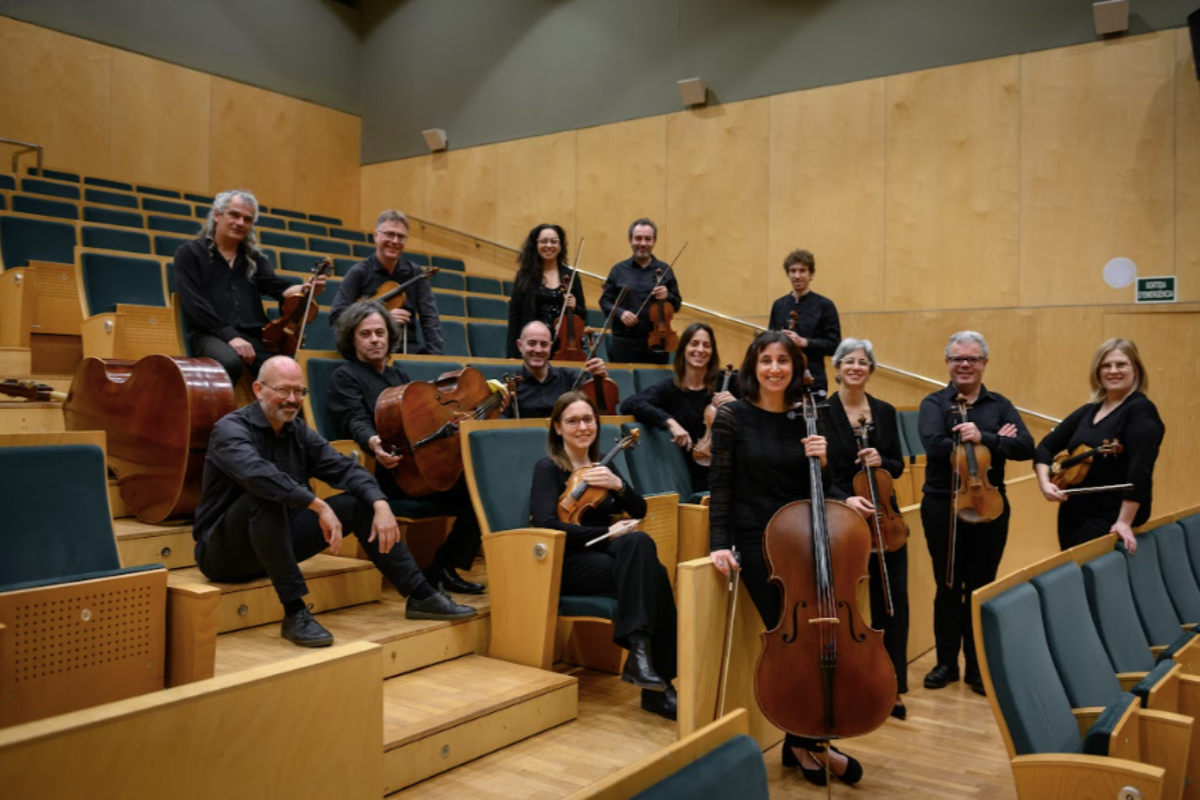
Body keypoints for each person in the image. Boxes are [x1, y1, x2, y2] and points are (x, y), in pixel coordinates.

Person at [192, 355, 476, 649]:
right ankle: (295, 613)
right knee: (264, 497)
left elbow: (345, 468)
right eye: (282, 391)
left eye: (298, 391)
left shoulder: (298, 431)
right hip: (224, 553)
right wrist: (318, 504)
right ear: (258, 389)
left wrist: (380, 503)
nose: (292, 399)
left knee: (359, 502)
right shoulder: (229, 429)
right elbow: (257, 475)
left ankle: (420, 595)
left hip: (275, 543)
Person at [708, 331, 873, 785]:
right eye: (766, 360)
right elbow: (721, 488)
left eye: (784, 360)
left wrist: (838, 489)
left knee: (822, 640)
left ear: (796, 369)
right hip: (758, 545)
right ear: (753, 366)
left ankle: (802, 741)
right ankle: (808, 740)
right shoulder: (732, 417)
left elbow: (818, 487)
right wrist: (718, 543)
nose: (775, 368)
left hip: (805, 541)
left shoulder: (808, 417)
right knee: (795, 647)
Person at [529, 391, 678, 720]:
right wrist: (606, 532)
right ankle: (660, 685)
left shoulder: (602, 468)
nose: (582, 426)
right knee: (654, 574)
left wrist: (618, 486)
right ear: (557, 427)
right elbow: (545, 523)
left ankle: (641, 653)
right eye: (572, 421)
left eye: (588, 419)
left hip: (606, 557)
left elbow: (639, 510)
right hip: (565, 560)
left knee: (639, 544)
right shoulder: (549, 468)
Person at [326, 300, 487, 595]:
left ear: (389, 335)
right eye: (365, 334)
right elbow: (353, 421)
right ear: (352, 338)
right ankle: (440, 571)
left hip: (418, 465)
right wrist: (374, 443)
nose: (375, 339)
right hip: (384, 471)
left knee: (482, 490)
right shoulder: (345, 377)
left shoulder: (398, 377)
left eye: (379, 332)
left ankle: (443, 567)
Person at [917, 331, 1033, 696]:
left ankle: (978, 667)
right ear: (948, 364)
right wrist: (988, 437)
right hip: (943, 505)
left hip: (989, 504)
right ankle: (947, 663)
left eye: (972, 358)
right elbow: (933, 445)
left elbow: (1025, 446)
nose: (964, 364)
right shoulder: (934, 403)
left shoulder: (1000, 404)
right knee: (948, 585)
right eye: (957, 359)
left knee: (981, 588)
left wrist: (985, 436)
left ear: (984, 363)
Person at [823, 338, 910, 721]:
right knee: (844, 604)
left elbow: (898, 465)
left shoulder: (886, 412)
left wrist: (882, 459)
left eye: (863, 362)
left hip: (885, 521)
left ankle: (892, 685)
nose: (856, 367)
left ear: (871, 370)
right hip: (843, 518)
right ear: (837, 368)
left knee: (894, 604)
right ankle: (848, 681)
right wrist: (845, 500)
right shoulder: (822, 412)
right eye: (849, 361)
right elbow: (816, 473)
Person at [176, 189, 325, 385]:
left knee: (287, 371)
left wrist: (304, 290)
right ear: (218, 215)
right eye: (234, 215)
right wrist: (231, 337)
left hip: (254, 336)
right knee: (228, 361)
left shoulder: (254, 259)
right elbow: (195, 305)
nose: (240, 223)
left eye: (247, 219)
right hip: (209, 334)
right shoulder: (190, 253)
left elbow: (275, 286)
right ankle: (220, 415)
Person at [1034, 338, 1164, 552]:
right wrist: (1044, 482)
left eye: (1121, 364)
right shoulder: (1088, 411)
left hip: (1109, 518)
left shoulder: (1140, 411)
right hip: (1072, 514)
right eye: (1106, 365)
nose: (1113, 371)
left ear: (1136, 369)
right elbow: (1044, 448)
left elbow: (1140, 470)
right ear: (1098, 371)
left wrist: (1124, 521)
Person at [620, 322, 736, 494]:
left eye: (706, 345)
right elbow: (629, 404)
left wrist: (738, 404)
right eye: (694, 343)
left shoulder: (726, 383)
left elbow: (757, 412)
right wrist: (669, 421)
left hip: (732, 466)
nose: (700, 350)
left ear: (712, 352)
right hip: (696, 475)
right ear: (683, 349)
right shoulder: (670, 389)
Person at [328, 209, 443, 355]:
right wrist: (382, 318)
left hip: (406, 348)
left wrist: (436, 360)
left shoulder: (417, 274)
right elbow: (336, 317)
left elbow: (430, 319)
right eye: (389, 234)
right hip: (368, 352)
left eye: (401, 237)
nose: (395, 241)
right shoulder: (359, 273)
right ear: (376, 236)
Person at [599, 218, 681, 365]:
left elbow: (677, 303)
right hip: (623, 344)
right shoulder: (618, 270)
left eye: (648, 239)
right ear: (630, 240)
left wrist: (667, 296)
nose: (643, 244)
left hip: (657, 344)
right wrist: (620, 313)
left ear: (654, 241)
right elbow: (605, 301)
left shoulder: (666, 270)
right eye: (638, 238)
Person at [506, 223, 587, 359]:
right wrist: (511, 354)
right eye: (544, 241)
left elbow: (583, 314)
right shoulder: (525, 276)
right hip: (534, 345)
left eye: (554, 241)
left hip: (561, 346)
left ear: (560, 246)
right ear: (535, 245)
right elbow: (515, 315)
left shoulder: (571, 276)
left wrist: (574, 307)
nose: (549, 245)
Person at [768, 250, 841, 398]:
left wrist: (804, 342)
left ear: (811, 274)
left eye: (802, 271)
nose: (797, 275)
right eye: (793, 271)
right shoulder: (779, 305)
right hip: (782, 379)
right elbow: (770, 344)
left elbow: (834, 345)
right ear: (788, 274)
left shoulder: (825, 306)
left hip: (813, 378)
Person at [502, 321, 609, 419]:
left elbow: (595, 409)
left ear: (550, 347)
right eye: (532, 343)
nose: (538, 350)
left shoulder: (570, 378)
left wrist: (602, 379)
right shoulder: (511, 388)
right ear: (520, 346)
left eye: (544, 344)